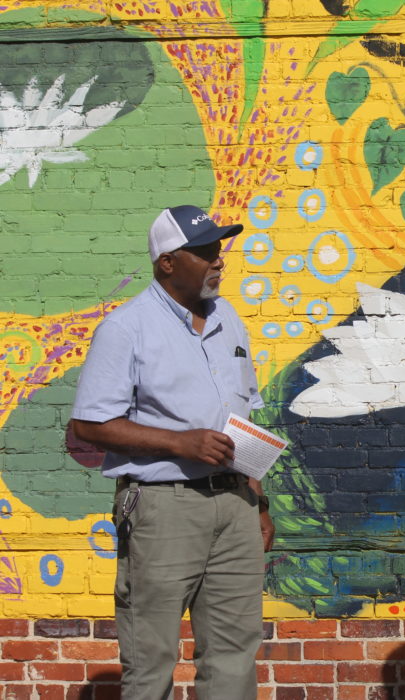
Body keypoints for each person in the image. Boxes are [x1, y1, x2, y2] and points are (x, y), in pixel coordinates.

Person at [70, 205, 274, 699]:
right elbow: (89, 423)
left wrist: (258, 500)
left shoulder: (228, 319)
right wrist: (178, 442)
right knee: (151, 657)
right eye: (204, 252)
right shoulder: (126, 329)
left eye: (218, 249)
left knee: (233, 655)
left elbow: (243, 417)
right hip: (164, 507)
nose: (217, 260)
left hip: (235, 505)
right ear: (167, 262)